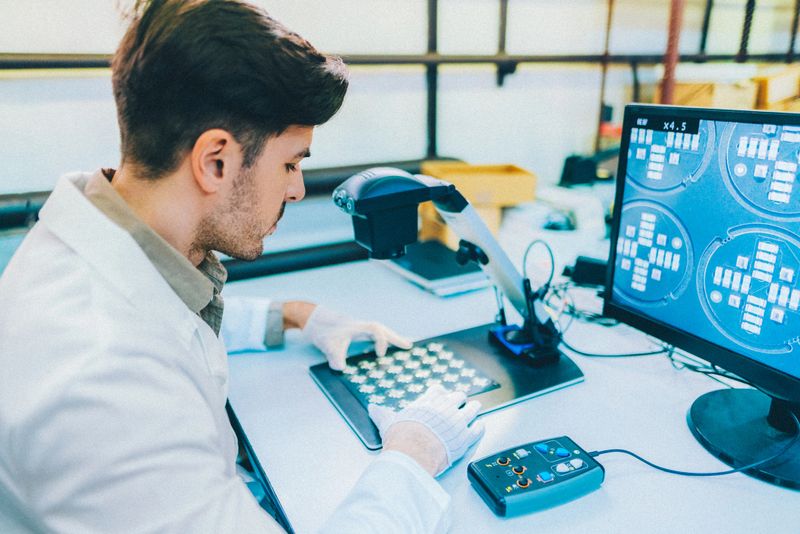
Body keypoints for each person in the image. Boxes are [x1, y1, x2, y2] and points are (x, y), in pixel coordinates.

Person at [0, 1, 484, 533]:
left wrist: (297, 315)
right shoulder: (109, 390)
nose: (297, 189)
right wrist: (410, 460)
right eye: (291, 164)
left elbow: (160, 315)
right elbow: (140, 347)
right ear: (216, 161)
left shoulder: (90, 246)